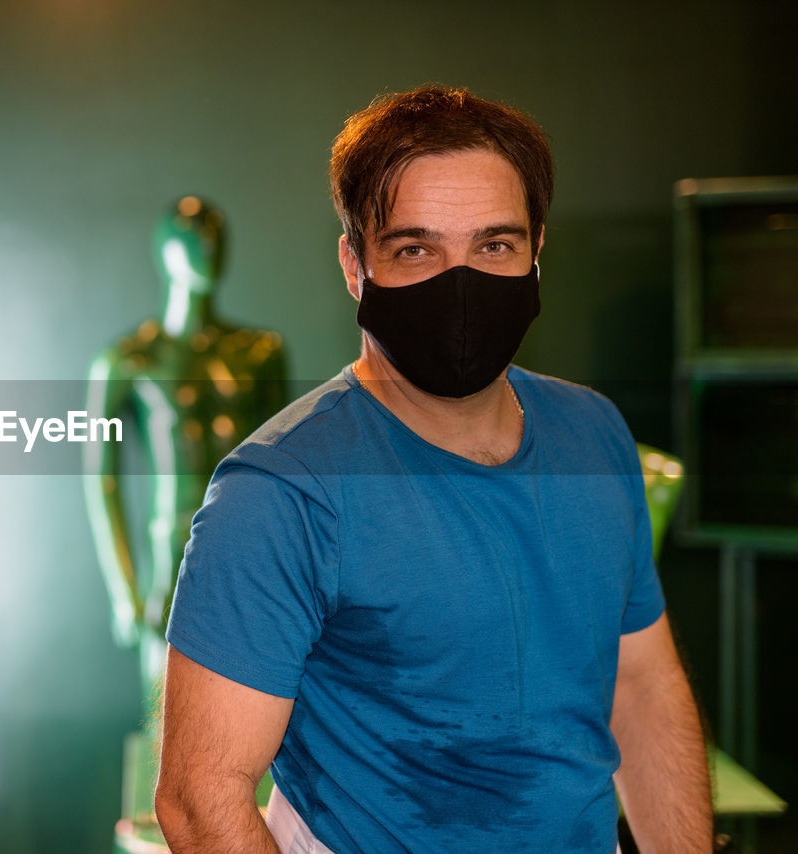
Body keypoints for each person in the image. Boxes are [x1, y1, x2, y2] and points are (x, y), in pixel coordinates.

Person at [154, 87, 712, 853]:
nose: (461, 284)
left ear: (536, 252)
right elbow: (198, 798)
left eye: (494, 245)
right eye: (416, 249)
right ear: (356, 265)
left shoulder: (596, 435)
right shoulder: (280, 494)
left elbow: (641, 686)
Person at [84, 196, 287, 698]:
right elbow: (99, 480)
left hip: (248, 547)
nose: (208, 252)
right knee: (167, 712)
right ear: (165, 251)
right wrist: (123, 590)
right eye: (194, 240)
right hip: (169, 550)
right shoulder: (129, 361)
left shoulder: (260, 353)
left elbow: (289, 470)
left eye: (217, 240)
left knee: (257, 704)